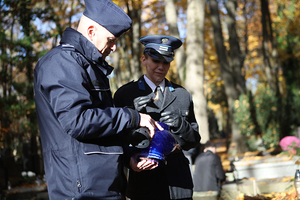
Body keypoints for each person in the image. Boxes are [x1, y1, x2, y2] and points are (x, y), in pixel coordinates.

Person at [33, 1, 162, 199]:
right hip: (80, 191)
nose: (114, 47)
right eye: (111, 40)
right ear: (91, 31)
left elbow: (103, 128)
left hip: (107, 186)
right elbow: (78, 121)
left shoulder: (90, 67)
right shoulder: (61, 62)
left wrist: (128, 158)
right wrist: (133, 117)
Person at [114, 35, 201, 200]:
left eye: (166, 62)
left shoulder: (182, 95)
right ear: (144, 59)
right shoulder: (125, 95)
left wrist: (181, 125)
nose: (161, 67)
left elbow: (194, 140)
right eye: (156, 61)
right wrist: (129, 160)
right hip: (144, 181)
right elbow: (116, 140)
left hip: (178, 182)